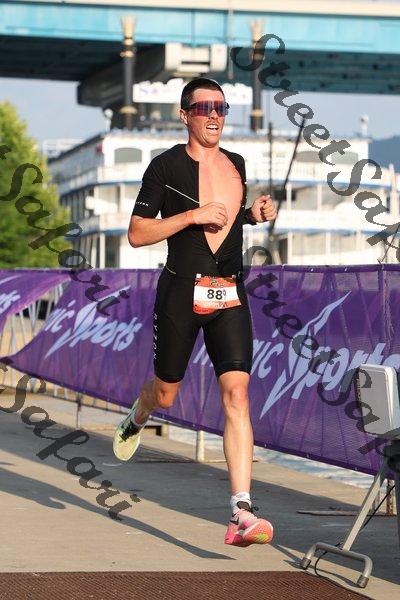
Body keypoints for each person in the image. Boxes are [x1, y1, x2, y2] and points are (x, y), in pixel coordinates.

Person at [113, 77, 277, 547]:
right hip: (181, 293)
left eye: (221, 108)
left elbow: (225, 219)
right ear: (184, 115)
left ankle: (241, 511)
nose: (214, 116)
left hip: (229, 294)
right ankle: (140, 413)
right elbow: (138, 233)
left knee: (238, 394)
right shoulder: (165, 167)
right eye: (204, 108)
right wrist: (191, 215)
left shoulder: (236, 163)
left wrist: (251, 215)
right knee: (166, 396)